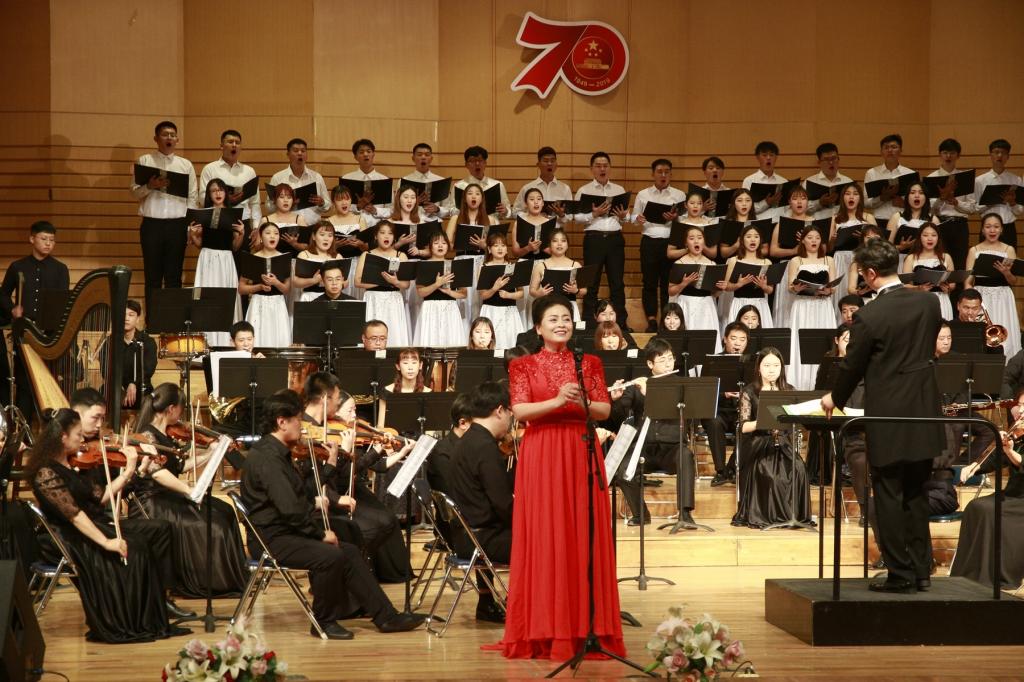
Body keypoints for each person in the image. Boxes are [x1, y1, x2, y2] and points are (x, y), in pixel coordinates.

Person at [497, 295, 624, 659]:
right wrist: (557, 400)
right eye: (553, 319)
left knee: (583, 532)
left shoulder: (590, 362)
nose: (561, 324)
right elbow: (520, 410)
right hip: (542, 452)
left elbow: (604, 410)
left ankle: (586, 626)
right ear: (538, 327)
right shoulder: (522, 365)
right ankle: (545, 629)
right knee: (546, 532)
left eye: (566, 318)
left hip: (580, 448)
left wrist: (579, 402)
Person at [240, 390, 423, 639]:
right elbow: (291, 511)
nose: (302, 427)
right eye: (298, 420)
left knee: (349, 551)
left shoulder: (277, 452)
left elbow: (296, 496)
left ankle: (386, 617)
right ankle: (323, 621)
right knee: (331, 555)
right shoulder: (269, 460)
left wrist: (325, 478)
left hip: (283, 531)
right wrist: (318, 534)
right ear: (281, 422)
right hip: (272, 539)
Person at [822, 238, 944, 593]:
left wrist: (834, 398)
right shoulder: (929, 301)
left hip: (889, 413)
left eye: (862, 273)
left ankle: (900, 573)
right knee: (916, 492)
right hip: (923, 409)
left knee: (888, 493)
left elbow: (852, 366)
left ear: (871, 273)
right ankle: (921, 571)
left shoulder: (869, 315)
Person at [27, 408, 189, 643]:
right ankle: (133, 618)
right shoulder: (45, 473)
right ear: (62, 437)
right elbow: (74, 515)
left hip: (89, 523)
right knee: (136, 546)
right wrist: (107, 542)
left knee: (154, 532)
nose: (83, 440)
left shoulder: (70, 463)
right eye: (78, 435)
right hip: (68, 536)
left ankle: (154, 609)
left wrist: (130, 471)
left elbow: (100, 496)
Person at [133, 383, 249, 597]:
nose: (182, 414)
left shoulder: (164, 434)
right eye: (181, 408)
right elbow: (158, 474)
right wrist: (189, 490)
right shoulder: (146, 436)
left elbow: (180, 466)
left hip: (170, 495)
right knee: (215, 525)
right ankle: (214, 582)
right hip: (153, 502)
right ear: (171, 409)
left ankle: (235, 577)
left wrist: (211, 453)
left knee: (225, 511)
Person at [610, 337, 698, 524]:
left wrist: (649, 394)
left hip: (672, 448)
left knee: (686, 456)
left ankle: (685, 514)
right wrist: (616, 399)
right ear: (650, 364)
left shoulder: (682, 386)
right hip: (644, 448)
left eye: (670, 359)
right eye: (662, 360)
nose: (668, 364)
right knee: (623, 469)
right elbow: (618, 416)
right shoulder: (638, 386)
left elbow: (690, 415)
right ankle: (641, 514)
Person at [448, 381, 515, 623]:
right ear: (499, 410)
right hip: (480, 541)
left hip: (466, 536)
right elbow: (503, 505)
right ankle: (522, 605)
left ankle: (487, 603)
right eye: (510, 412)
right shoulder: (484, 447)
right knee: (543, 541)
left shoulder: (467, 440)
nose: (511, 419)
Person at [732, 347, 812, 529]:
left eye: (776, 365)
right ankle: (772, 517)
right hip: (758, 443)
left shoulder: (789, 390)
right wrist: (763, 421)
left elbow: (798, 422)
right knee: (769, 472)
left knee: (799, 469)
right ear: (758, 368)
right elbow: (743, 426)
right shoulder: (749, 392)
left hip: (783, 443)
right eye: (766, 365)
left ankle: (792, 516)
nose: (771, 370)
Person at [0, 221, 70, 415]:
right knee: (24, 382)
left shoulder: (60, 269)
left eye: (52, 240)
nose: (48, 243)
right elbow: (2, 294)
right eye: (44, 238)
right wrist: (12, 309)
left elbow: (62, 301)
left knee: (49, 379)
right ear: (32, 239)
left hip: (49, 335)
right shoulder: (17, 267)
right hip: (24, 333)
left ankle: (48, 423)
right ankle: (23, 427)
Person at [950, 406, 1024, 589]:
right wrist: (975, 466)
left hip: (1021, 500)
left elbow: (1018, 460)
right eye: (1020, 406)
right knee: (975, 506)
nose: (1021, 412)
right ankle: (968, 573)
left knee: (989, 510)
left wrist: (1010, 451)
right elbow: (996, 459)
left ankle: (993, 574)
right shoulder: (1019, 437)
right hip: (1012, 494)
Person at [130, 121, 198, 309]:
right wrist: (149, 186)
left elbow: (192, 197)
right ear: (156, 138)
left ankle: (172, 320)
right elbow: (134, 193)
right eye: (165, 134)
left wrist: (189, 226)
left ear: (177, 139)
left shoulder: (185, 165)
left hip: (177, 225)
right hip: (152, 225)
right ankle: (152, 320)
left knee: (174, 276)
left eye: (172, 135)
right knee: (152, 276)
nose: (169, 138)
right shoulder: (145, 161)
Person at [573, 152, 629, 324]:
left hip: (615, 239)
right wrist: (594, 214)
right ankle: (589, 322)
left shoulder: (619, 190)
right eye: (598, 166)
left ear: (610, 168)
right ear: (592, 169)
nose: (602, 169)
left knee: (617, 283)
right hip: (594, 239)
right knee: (591, 282)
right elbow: (576, 217)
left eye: (605, 165)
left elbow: (626, 217)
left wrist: (623, 216)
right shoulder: (584, 190)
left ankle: (621, 323)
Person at [187, 178, 244, 345]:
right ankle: (206, 341)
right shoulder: (203, 213)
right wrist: (193, 234)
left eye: (220, 190)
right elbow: (199, 244)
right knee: (207, 296)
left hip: (226, 259)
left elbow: (235, 246)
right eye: (213, 190)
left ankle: (228, 341)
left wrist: (241, 233)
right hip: (207, 258)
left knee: (226, 297)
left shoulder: (232, 214)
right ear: (209, 194)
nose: (217, 193)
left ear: (225, 192)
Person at [632, 158, 684, 332]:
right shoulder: (643, 194)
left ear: (671, 174)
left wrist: (675, 218)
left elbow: (685, 220)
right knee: (649, 283)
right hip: (649, 241)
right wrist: (638, 218)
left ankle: (667, 320)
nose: (663, 175)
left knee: (667, 284)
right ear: (652, 174)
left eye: (667, 172)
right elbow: (633, 218)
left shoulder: (679, 195)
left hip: (671, 244)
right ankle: (652, 320)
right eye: (660, 172)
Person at [787, 225, 837, 390]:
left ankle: (824, 382)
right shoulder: (796, 260)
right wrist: (796, 288)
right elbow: (790, 287)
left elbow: (833, 286)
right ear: (803, 241)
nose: (813, 241)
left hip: (822, 305)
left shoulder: (828, 260)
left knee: (823, 344)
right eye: (809, 238)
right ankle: (800, 384)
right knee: (801, 343)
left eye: (817, 237)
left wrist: (828, 290)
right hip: (803, 305)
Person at [966, 213, 1020, 358]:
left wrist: (1006, 273)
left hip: (1003, 295)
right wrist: (970, 300)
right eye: (988, 227)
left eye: (996, 227)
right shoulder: (974, 250)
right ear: (982, 230)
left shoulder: (1008, 250)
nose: (992, 230)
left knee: (1004, 330)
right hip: (981, 296)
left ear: (1001, 229)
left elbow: (1013, 281)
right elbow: (968, 280)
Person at [197, 129, 262, 248]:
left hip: (243, 222)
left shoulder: (249, 171)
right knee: (218, 258)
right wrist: (225, 199)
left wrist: (256, 227)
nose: (234, 145)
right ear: (221, 146)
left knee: (241, 259)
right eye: (230, 142)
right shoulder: (210, 169)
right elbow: (202, 198)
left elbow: (255, 202)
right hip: (218, 221)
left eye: (237, 142)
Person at [706, 323, 750, 486]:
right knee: (714, 422)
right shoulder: (713, 361)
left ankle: (731, 468)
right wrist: (723, 393)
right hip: (719, 410)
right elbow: (704, 392)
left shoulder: (752, 362)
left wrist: (745, 395)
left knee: (749, 425)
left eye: (742, 339)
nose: (738, 343)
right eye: (733, 338)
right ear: (725, 339)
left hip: (742, 411)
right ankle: (720, 470)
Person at [355, 222, 412, 346]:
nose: (386, 236)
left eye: (390, 233)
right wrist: (382, 281)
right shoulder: (367, 254)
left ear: (394, 237)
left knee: (394, 333)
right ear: (376, 236)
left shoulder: (401, 255)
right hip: (373, 298)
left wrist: (395, 282)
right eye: (382, 233)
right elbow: (357, 282)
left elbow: (406, 284)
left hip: (393, 299)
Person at [238, 222, 291, 347]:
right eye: (268, 233)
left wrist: (275, 282)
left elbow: (287, 289)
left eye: (276, 233)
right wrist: (259, 287)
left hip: (278, 303)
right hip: (258, 303)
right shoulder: (253, 258)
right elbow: (241, 288)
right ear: (261, 237)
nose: (272, 236)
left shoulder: (284, 258)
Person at [669, 226, 721, 351]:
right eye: (692, 238)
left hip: (706, 306)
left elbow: (715, 294)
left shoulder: (712, 264)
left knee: (706, 341)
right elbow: (671, 291)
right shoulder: (679, 263)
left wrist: (721, 288)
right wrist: (684, 283)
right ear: (686, 243)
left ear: (704, 242)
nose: (696, 241)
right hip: (686, 303)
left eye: (699, 238)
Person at [927, 138, 975, 269]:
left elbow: (972, 208)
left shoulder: (965, 178)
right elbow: (929, 210)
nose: (948, 156)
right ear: (940, 154)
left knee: (960, 262)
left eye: (952, 153)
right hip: (939, 224)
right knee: (940, 262)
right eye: (945, 152)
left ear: (958, 155)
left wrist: (956, 202)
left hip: (960, 225)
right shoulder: (931, 178)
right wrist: (941, 198)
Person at [413, 230, 466, 347]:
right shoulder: (423, 265)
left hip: (450, 308)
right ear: (430, 247)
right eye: (436, 243)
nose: (440, 246)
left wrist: (449, 292)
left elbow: (463, 293)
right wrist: (437, 284)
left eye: (444, 243)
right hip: (430, 308)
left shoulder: (456, 265)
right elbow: (420, 292)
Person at [719, 224, 774, 329]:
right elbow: (726, 286)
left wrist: (764, 286)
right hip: (740, 302)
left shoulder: (766, 262)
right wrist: (739, 284)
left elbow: (770, 290)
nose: (752, 239)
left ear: (760, 240)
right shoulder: (734, 260)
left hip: (760, 303)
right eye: (748, 236)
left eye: (756, 236)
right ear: (742, 240)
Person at [268, 137, 330, 226]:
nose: (300, 153)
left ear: (306, 155)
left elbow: (328, 205)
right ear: (288, 154)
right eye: (296, 150)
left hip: (313, 227)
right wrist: (284, 204)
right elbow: (269, 207)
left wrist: (322, 203)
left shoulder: (317, 177)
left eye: (303, 151)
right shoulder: (278, 178)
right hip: (288, 227)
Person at [974, 138, 1023, 248]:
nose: (1000, 155)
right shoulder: (980, 181)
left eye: (1003, 153)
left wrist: (1012, 203)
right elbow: (975, 208)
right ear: (990, 155)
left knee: (1010, 258)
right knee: (986, 258)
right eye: (996, 152)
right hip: (988, 228)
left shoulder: (1016, 180)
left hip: (1008, 227)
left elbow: (1019, 211)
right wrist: (989, 202)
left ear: (1008, 156)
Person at [479, 233, 525, 349]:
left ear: (506, 249)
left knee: (510, 342)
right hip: (491, 310)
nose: (500, 248)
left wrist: (509, 295)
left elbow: (521, 293)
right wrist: (494, 288)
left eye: (503, 245)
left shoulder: (513, 267)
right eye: (496, 245)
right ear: (489, 249)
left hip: (509, 311)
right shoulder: (484, 267)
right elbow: (482, 295)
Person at [529, 228, 585, 320]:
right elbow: (532, 290)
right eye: (555, 241)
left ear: (567, 245)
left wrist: (576, 291)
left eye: (563, 241)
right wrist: (540, 293)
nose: (559, 244)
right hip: (548, 307)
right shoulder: (540, 266)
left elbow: (584, 290)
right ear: (549, 245)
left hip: (570, 306)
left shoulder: (576, 265)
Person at [901, 224, 954, 319]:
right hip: (919, 300)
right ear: (919, 238)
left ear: (938, 238)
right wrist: (918, 288)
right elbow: (905, 285)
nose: (930, 238)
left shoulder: (946, 257)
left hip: (941, 299)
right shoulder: (911, 258)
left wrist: (948, 288)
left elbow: (953, 283)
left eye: (934, 235)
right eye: (925, 235)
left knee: (944, 327)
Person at [864, 133, 916, 225]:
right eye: (886, 147)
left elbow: (918, 202)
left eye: (894, 147)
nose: (890, 150)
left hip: (903, 220)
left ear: (901, 150)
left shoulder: (910, 174)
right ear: (881, 152)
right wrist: (882, 198)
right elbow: (865, 203)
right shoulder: (871, 173)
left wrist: (904, 203)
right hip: (879, 221)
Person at [327, 185, 368, 297]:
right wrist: (335, 246)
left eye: (347, 198)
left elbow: (367, 248)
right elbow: (323, 249)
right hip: (337, 265)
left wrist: (360, 244)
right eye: (339, 200)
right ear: (333, 202)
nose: (344, 203)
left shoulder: (360, 219)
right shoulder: (329, 221)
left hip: (358, 264)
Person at [343, 138, 392, 228]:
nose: (365, 154)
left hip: (377, 228)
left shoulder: (384, 180)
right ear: (355, 157)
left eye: (368, 151)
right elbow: (340, 207)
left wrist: (375, 210)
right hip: (353, 227)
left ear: (373, 154)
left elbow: (392, 210)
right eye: (361, 152)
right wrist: (358, 207)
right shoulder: (346, 179)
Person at [512, 146, 573, 219]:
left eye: (552, 161)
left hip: (557, 226)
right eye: (546, 161)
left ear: (556, 165)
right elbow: (515, 212)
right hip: (534, 226)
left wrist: (562, 215)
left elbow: (570, 216)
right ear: (538, 165)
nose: (549, 163)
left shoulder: (565, 189)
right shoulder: (527, 188)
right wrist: (532, 215)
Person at [117, 299, 156, 409]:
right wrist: (122, 386)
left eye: (131, 315)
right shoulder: (111, 342)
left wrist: (133, 383)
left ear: (138, 319)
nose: (126, 318)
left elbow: (148, 369)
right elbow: (105, 370)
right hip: (118, 387)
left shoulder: (147, 341)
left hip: (141, 387)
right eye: (123, 315)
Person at [453, 145, 510, 220]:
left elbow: (508, 210)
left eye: (480, 160)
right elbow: (451, 209)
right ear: (466, 165)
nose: (477, 164)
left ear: (485, 163)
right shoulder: (459, 186)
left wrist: (505, 211)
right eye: (472, 161)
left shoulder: (497, 185)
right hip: (468, 224)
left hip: (492, 224)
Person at [403, 142, 453, 219]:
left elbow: (448, 209)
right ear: (413, 158)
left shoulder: (441, 180)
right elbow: (397, 208)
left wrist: (437, 209)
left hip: (435, 223)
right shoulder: (404, 180)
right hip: (411, 222)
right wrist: (414, 203)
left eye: (427, 155)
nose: (423, 157)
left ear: (431, 158)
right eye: (419, 154)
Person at [887, 182, 939, 254]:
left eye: (921, 193)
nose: (917, 196)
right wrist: (901, 247)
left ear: (926, 198)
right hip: (901, 257)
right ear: (907, 197)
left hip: (925, 258)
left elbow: (939, 247)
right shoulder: (897, 217)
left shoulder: (933, 219)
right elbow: (886, 247)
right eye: (912, 193)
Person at [292, 221, 339, 302]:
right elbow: (296, 282)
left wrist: (332, 282)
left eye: (330, 235)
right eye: (322, 235)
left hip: (332, 298)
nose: (326, 239)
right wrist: (313, 281)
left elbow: (345, 282)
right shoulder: (304, 255)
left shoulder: (338, 256)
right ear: (314, 236)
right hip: (310, 298)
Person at [805, 142, 853, 220]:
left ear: (838, 159)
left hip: (843, 224)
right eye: (826, 159)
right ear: (819, 162)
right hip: (818, 225)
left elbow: (856, 207)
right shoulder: (809, 182)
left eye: (834, 158)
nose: (831, 162)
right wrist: (819, 203)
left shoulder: (848, 181)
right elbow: (801, 209)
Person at [742, 141, 787, 222]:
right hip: (757, 225)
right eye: (764, 155)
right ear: (757, 157)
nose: (768, 158)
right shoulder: (749, 181)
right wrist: (766, 203)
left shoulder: (783, 181)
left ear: (776, 157)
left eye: (772, 155)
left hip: (779, 224)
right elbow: (745, 207)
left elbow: (787, 208)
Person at [259, 184, 307, 254]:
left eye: (289, 197)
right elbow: (257, 247)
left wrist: (294, 244)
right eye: (281, 197)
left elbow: (306, 247)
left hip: (294, 257)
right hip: (272, 257)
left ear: (293, 200)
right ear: (274, 199)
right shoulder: (265, 220)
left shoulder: (299, 219)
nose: (286, 200)